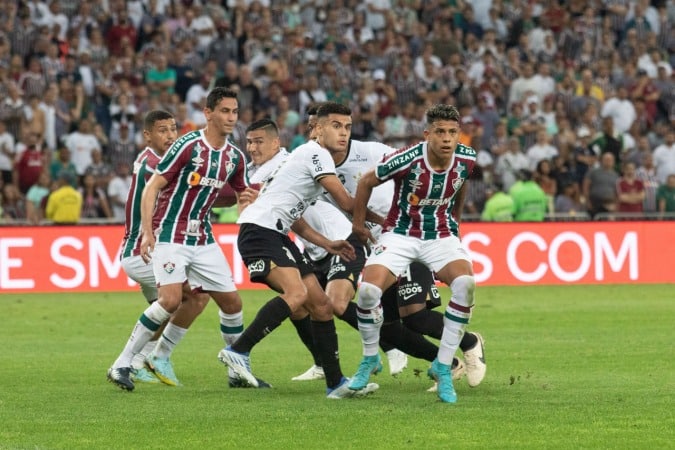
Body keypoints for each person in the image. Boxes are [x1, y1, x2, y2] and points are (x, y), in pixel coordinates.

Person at [218, 104, 382, 399]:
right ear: (317, 129)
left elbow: (297, 218)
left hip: (277, 233)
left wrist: (326, 243)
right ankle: (238, 350)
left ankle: (336, 383)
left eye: (346, 127)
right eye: (335, 126)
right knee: (298, 296)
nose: (343, 133)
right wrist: (387, 221)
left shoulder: (301, 160)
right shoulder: (315, 153)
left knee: (320, 305)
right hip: (259, 233)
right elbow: (347, 202)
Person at [107, 88, 252, 392]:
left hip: (203, 238)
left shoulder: (234, 157)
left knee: (231, 301)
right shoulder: (187, 145)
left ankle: (238, 368)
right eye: (224, 111)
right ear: (208, 113)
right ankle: (122, 363)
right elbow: (152, 188)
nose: (230, 117)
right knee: (171, 299)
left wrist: (250, 203)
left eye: (235, 112)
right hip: (170, 232)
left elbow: (238, 195)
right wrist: (148, 231)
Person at [348, 104, 477, 404]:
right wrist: (357, 224)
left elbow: (461, 185)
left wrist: (455, 221)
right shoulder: (407, 159)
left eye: (453, 133)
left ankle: (443, 366)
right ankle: (370, 359)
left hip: (440, 235)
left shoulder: (466, 159)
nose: (447, 139)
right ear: (427, 134)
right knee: (367, 293)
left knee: (465, 285)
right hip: (401, 234)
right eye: (441, 132)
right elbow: (367, 181)